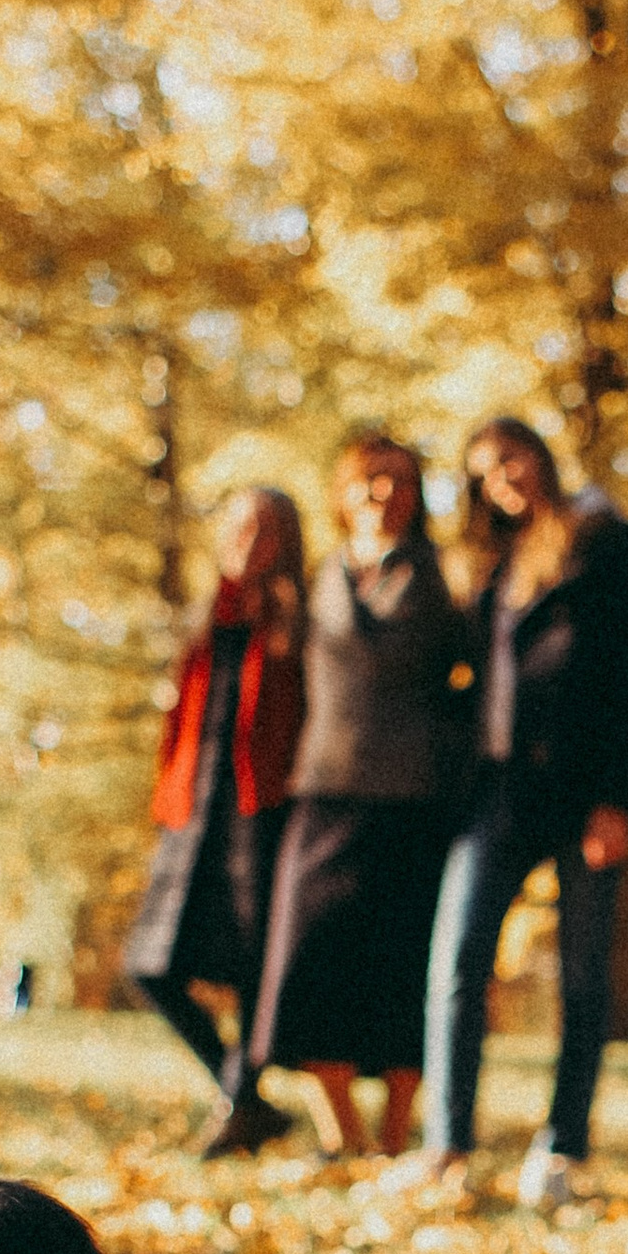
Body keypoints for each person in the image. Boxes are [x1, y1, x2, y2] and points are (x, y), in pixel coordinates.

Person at [416, 414, 628, 1210]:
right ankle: (447, 1144)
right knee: (457, 962)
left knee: (583, 976)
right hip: (496, 791)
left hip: (586, 789)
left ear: (542, 456)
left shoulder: (612, 543)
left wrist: (617, 801)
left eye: (512, 459)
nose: (504, 479)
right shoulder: (492, 565)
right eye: (485, 471)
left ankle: (561, 1147)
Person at [250, 430, 470, 1154]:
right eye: (366, 480)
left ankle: (396, 1137)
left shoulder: (448, 575)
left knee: (404, 966)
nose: (381, 493)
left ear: (417, 494)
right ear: (341, 494)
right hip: (323, 790)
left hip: (419, 798)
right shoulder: (314, 577)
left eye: (398, 480)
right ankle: (341, 1133)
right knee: (308, 958)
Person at [123, 483, 305, 1157]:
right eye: (236, 529)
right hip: (192, 811)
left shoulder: (297, 624)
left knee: (255, 967)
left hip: (261, 812)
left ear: (285, 542)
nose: (247, 544)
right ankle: (245, 1095)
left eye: (263, 531)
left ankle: (242, 1103)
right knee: (148, 965)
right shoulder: (205, 619)